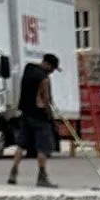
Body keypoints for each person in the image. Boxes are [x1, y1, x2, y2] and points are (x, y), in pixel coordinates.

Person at [7, 51, 60, 186]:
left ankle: (13, 172)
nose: (52, 72)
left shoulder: (29, 69)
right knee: (43, 147)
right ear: (48, 65)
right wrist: (52, 119)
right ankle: (42, 176)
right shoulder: (43, 78)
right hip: (39, 117)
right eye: (52, 69)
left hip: (25, 114)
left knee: (21, 145)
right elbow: (46, 99)